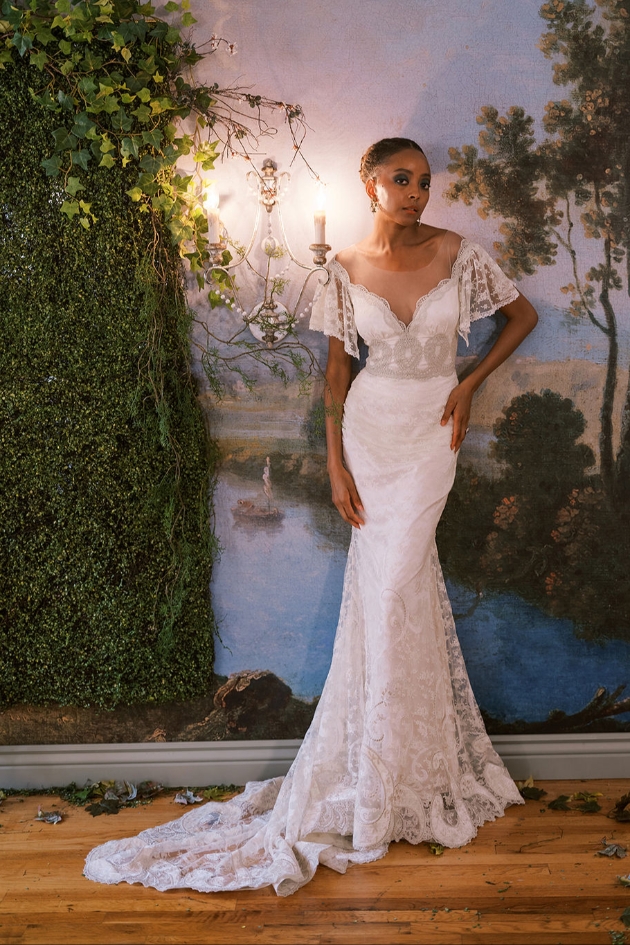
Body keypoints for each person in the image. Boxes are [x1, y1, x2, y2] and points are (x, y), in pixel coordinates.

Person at [84, 137, 538, 897]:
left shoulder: (459, 252)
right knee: (388, 593)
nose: (417, 192)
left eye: (425, 181)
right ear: (370, 185)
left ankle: (402, 769)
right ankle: (384, 769)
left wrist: (469, 384)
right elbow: (336, 372)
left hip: (432, 436)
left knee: (395, 587)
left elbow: (523, 316)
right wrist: (333, 465)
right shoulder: (342, 269)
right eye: (402, 179)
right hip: (369, 432)